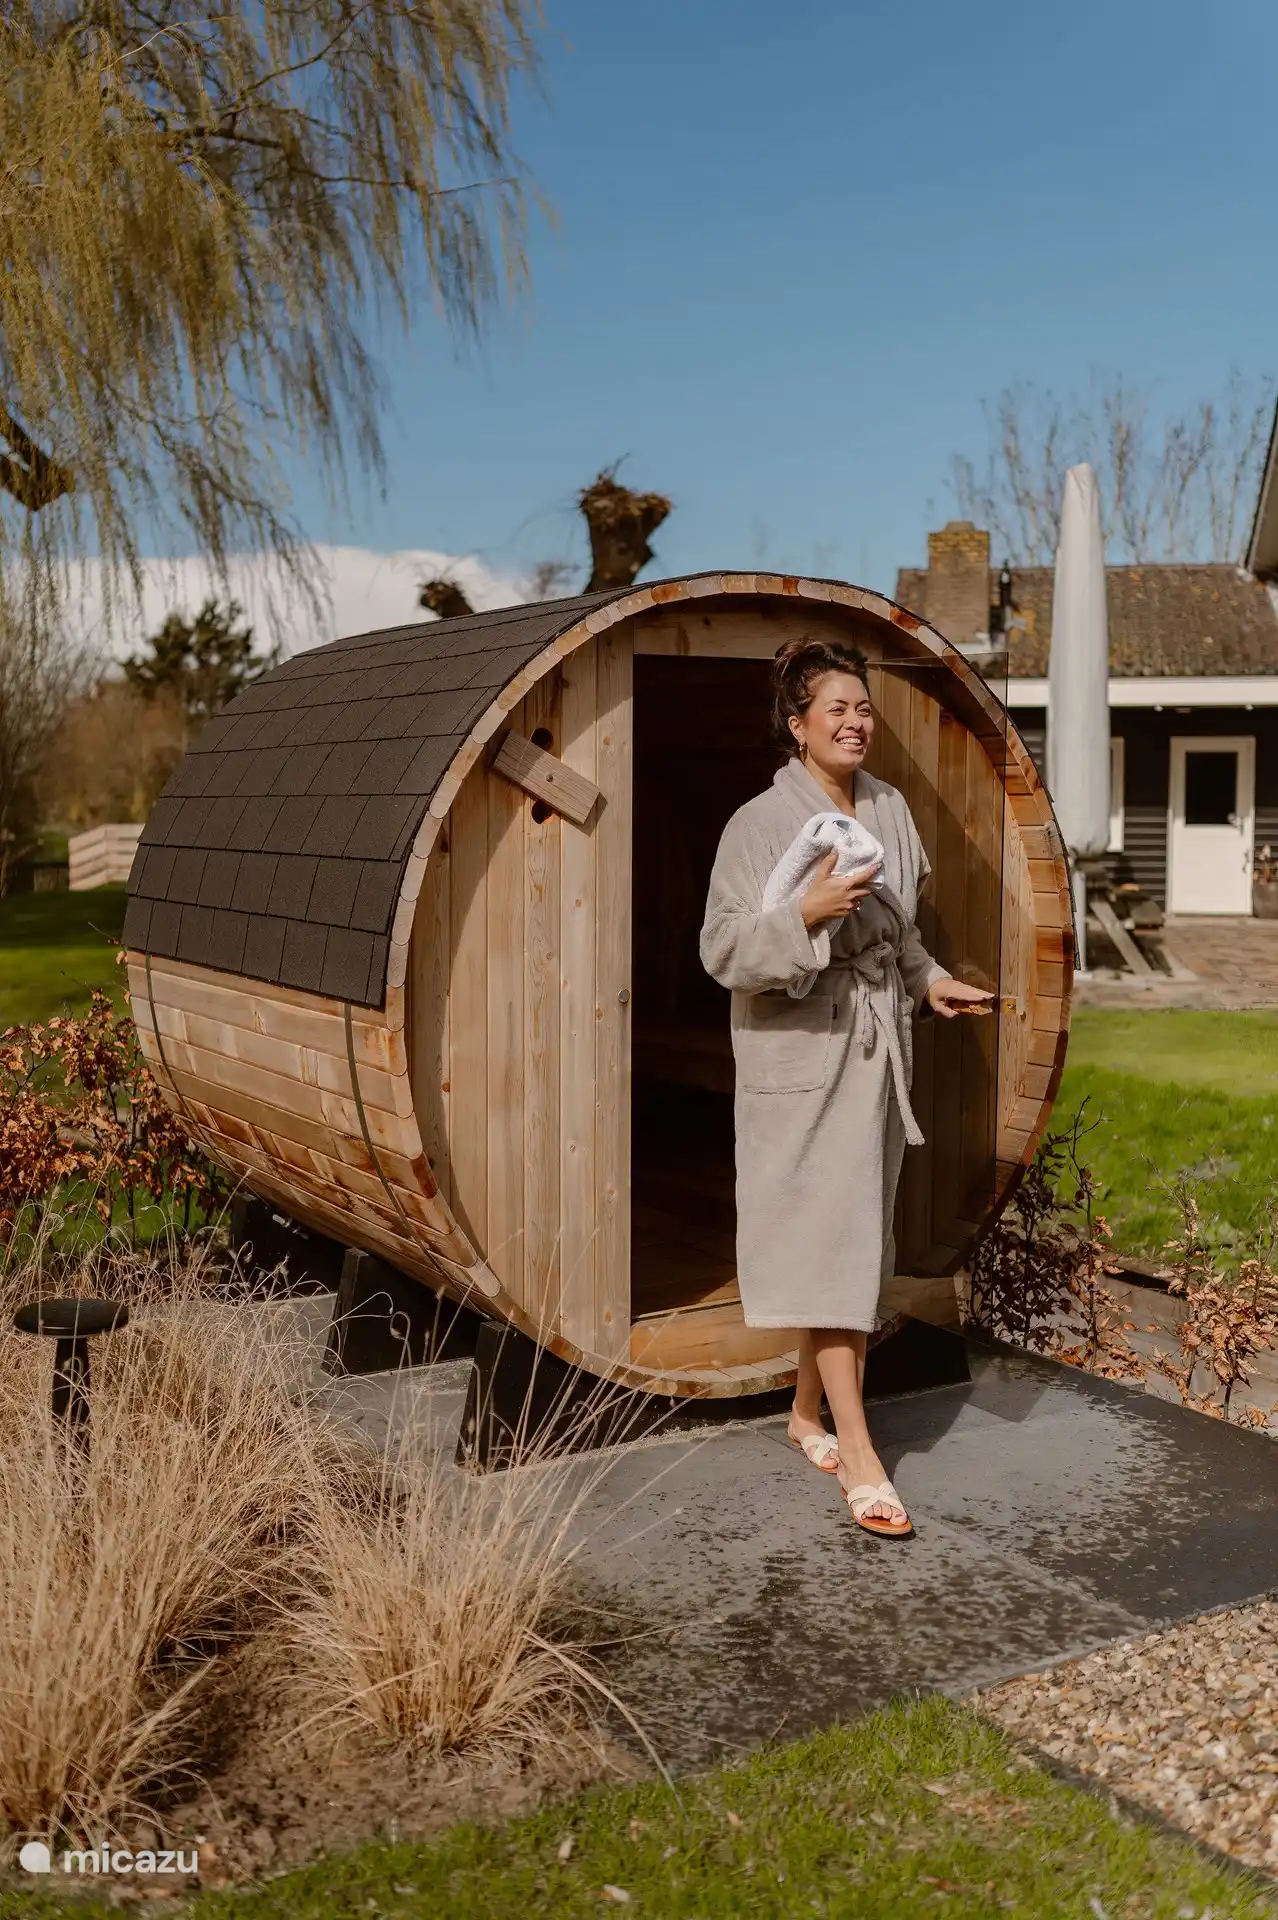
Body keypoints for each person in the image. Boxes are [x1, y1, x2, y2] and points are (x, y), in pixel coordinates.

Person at [699, 636, 993, 1536]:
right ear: (797, 726)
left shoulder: (891, 810)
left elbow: (901, 939)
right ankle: (861, 1454)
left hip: (874, 1054)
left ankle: (802, 1415)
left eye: (864, 709)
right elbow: (722, 953)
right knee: (831, 1248)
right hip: (799, 1053)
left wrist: (931, 981)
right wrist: (806, 915)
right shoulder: (757, 824)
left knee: (853, 1246)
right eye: (838, 709)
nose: (857, 722)